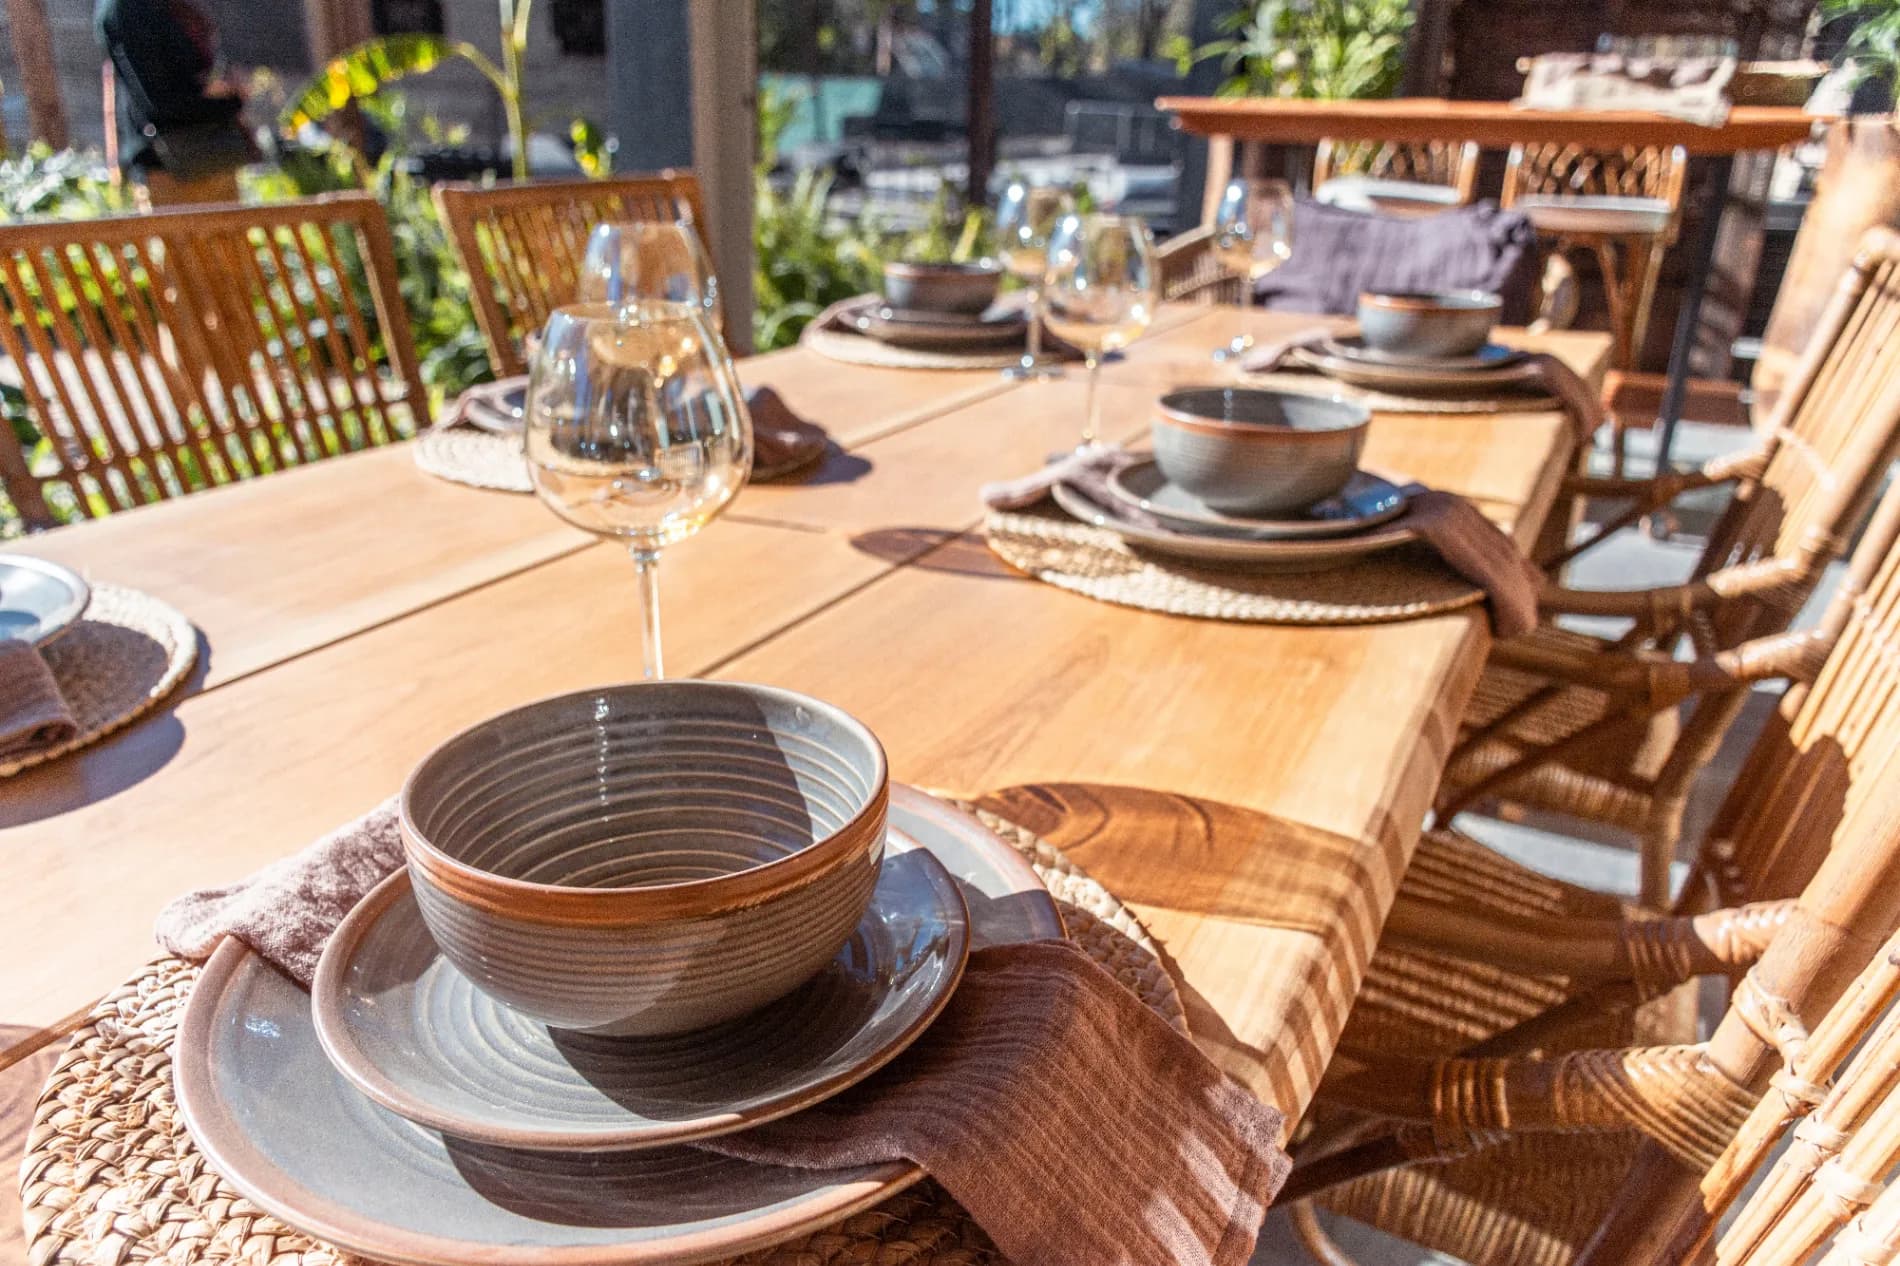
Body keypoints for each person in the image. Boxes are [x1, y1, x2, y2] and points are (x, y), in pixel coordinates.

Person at [95, 0, 256, 206]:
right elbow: (159, 100)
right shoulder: (128, 8)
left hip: (211, 153)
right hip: (170, 164)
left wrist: (224, 92)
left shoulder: (167, 7)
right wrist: (226, 101)